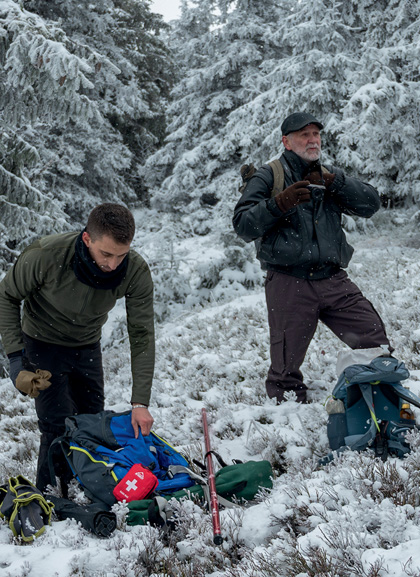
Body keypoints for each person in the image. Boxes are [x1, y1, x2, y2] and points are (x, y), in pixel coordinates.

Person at [233, 112, 390, 404]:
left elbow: (371, 204)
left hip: (332, 279)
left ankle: (374, 391)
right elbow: (243, 225)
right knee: (285, 368)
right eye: (304, 135)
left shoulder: (328, 174)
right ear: (286, 141)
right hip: (289, 282)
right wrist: (280, 203)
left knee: (373, 338)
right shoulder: (269, 175)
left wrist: (335, 183)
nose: (312, 140)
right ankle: (288, 413)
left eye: (315, 134)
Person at [0, 203, 155, 491]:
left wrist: (140, 402)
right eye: (106, 254)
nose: (113, 264)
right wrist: (16, 361)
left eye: (121, 255)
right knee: (56, 426)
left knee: (90, 422)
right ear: (87, 239)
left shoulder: (134, 270)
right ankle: (51, 497)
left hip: (86, 345)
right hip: (42, 341)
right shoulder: (46, 255)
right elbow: (6, 295)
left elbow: (142, 333)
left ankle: (85, 490)